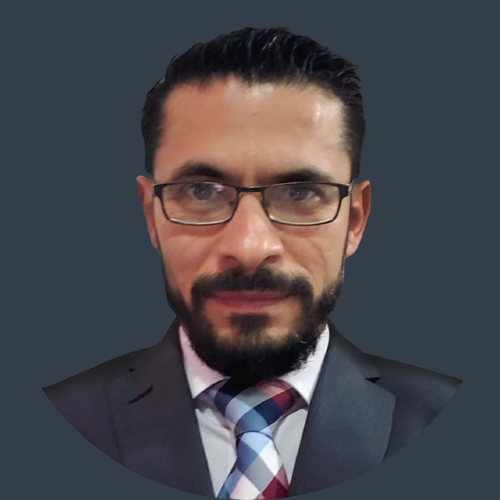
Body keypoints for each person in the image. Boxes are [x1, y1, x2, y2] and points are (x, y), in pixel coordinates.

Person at [43, 27, 461, 499]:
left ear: (355, 220)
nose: (248, 246)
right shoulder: (58, 422)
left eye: (300, 192)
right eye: (201, 191)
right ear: (150, 215)